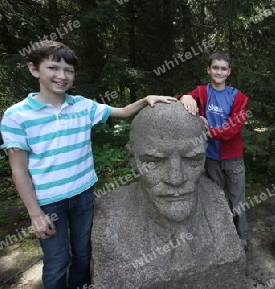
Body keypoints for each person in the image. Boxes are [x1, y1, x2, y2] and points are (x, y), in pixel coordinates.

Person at [0, 40, 176, 289]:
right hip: (48, 202)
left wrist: (147, 99)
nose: (61, 76)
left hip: (83, 195)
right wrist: (35, 213)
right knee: (58, 259)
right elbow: (18, 169)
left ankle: (81, 285)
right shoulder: (17, 116)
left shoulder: (82, 106)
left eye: (68, 71)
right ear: (34, 69)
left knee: (83, 252)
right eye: (53, 68)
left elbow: (123, 112)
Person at [92, 103, 246, 288]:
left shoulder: (216, 202)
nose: (176, 179)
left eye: (192, 159)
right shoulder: (111, 215)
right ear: (133, 159)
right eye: (155, 161)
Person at [179, 51, 249, 247]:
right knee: (216, 199)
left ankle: (242, 237)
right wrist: (185, 97)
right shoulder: (202, 92)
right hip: (210, 157)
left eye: (223, 68)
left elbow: (234, 128)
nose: (219, 71)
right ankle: (221, 234)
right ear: (208, 70)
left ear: (229, 72)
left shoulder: (238, 97)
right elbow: (181, 102)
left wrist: (209, 132)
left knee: (238, 201)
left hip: (233, 158)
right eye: (215, 67)